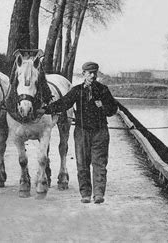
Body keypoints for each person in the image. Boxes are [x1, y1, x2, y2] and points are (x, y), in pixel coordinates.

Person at [37, 62, 118, 204]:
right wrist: (45, 110)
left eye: (94, 73)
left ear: (97, 74)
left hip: (100, 132)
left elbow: (113, 109)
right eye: (89, 73)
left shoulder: (103, 90)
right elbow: (63, 103)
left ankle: (98, 194)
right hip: (82, 132)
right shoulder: (77, 90)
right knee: (82, 164)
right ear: (84, 74)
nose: (92, 75)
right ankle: (85, 194)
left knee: (99, 163)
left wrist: (103, 106)